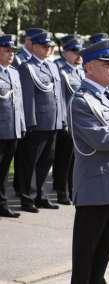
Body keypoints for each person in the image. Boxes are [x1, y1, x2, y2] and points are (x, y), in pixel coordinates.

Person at [69, 38, 109, 284]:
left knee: (101, 260)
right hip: (95, 190)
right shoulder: (82, 100)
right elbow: (102, 138)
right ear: (88, 67)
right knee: (85, 263)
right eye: (106, 63)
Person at [18, 31, 65, 213]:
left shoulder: (53, 67)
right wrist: (30, 123)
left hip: (52, 122)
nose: (49, 49)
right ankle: (27, 198)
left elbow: (58, 96)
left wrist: (60, 119)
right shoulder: (27, 67)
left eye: (50, 46)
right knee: (30, 162)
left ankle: (41, 196)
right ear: (35, 47)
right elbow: (28, 98)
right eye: (45, 46)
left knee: (47, 161)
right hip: (37, 124)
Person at [12, 28, 45, 199]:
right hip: (22, 113)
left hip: (30, 115)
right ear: (29, 41)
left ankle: (21, 186)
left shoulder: (37, 60)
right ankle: (20, 186)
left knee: (27, 156)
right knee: (23, 156)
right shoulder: (18, 59)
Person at [52, 37, 85, 205]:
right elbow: (60, 98)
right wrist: (64, 121)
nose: (78, 55)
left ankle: (73, 189)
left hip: (79, 121)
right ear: (65, 52)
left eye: (80, 52)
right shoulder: (60, 69)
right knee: (63, 159)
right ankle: (61, 191)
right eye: (74, 52)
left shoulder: (80, 70)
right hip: (66, 121)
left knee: (75, 160)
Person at [0, 35, 26, 218]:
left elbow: (19, 103)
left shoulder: (14, 73)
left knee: (4, 170)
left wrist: (22, 125)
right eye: (7, 50)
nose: (11, 54)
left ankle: (1, 204)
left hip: (13, 129)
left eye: (13, 51)